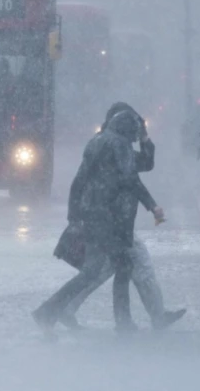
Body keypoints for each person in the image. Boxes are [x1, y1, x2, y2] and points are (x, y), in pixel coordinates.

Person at [56, 103, 185, 331]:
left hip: (111, 219)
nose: (136, 132)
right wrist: (152, 205)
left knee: (102, 270)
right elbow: (131, 179)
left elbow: (145, 163)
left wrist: (145, 138)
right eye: (135, 127)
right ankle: (144, 319)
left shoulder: (108, 143)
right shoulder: (114, 146)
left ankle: (67, 309)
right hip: (113, 220)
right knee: (132, 264)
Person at [33, 109, 146, 331]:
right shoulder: (119, 146)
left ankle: (48, 311)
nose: (134, 137)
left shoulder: (96, 143)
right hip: (106, 219)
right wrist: (151, 205)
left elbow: (78, 181)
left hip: (91, 216)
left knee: (93, 271)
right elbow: (131, 179)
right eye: (134, 132)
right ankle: (122, 322)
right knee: (122, 264)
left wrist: (73, 214)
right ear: (127, 130)